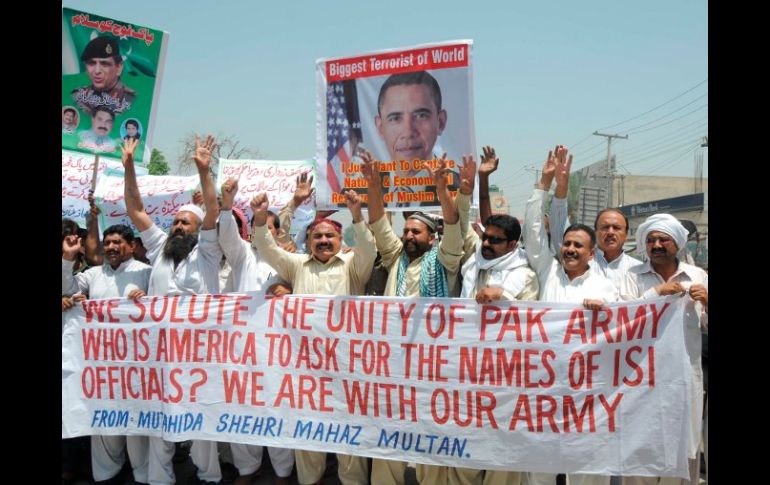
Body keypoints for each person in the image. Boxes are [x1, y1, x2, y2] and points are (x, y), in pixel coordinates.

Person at [363, 149, 475, 485]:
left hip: (433, 358)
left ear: (432, 237)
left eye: (417, 232)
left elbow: (454, 227)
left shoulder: (446, 260)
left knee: (430, 429)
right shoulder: (396, 257)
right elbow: (379, 222)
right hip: (394, 357)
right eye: (407, 231)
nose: (409, 236)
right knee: (391, 427)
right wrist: (373, 185)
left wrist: (443, 191)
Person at [251, 187, 376, 485]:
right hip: (305, 367)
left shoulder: (353, 265)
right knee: (308, 432)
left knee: (349, 435)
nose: (323, 241)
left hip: (346, 365)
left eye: (329, 236)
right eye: (317, 237)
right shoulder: (297, 265)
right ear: (308, 242)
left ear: (340, 240)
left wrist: (357, 214)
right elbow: (268, 249)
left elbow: (369, 248)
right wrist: (258, 218)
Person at [122, 135, 224, 485]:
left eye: (185, 222)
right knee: (159, 420)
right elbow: (135, 209)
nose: (178, 226)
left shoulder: (208, 252)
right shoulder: (161, 248)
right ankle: (159, 478)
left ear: (199, 230)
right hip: (160, 354)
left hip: (200, 355)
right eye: (176, 222)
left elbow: (213, 210)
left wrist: (204, 171)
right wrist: (129, 168)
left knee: (202, 423)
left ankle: (208, 476)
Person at [524, 146, 617, 485]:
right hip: (544, 390)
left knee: (588, 474)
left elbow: (626, 328)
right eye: (567, 244)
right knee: (541, 473)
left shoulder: (609, 287)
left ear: (592, 253)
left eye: (579, 246)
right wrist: (545, 184)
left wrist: (606, 314)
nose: (571, 249)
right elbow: (534, 229)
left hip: (589, 396)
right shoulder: (548, 271)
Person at [619, 214, 708, 485]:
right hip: (640, 380)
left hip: (684, 379)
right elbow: (622, 321)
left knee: (683, 449)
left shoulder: (698, 276)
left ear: (677, 244)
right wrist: (657, 294)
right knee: (639, 447)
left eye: (663, 239)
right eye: (651, 240)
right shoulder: (632, 277)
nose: (656, 245)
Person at [218, 177, 295, 485]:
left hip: (280, 351)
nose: (264, 231)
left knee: (279, 410)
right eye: (258, 225)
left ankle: (282, 472)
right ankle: (247, 470)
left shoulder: (291, 259)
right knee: (243, 409)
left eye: (270, 227)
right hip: (243, 348)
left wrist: (288, 289)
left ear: (278, 233)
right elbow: (226, 236)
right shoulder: (243, 256)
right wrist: (226, 204)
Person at [62, 224, 152, 485]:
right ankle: (107, 476)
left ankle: (142, 476)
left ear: (132, 246)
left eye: (117, 242)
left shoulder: (146, 273)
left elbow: (162, 306)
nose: (111, 247)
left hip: (138, 365)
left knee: (137, 427)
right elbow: (68, 290)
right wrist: (68, 258)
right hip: (102, 366)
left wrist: (148, 299)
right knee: (105, 424)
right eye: (107, 242)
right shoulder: (92, 275)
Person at [373, 71, 459, 207]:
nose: (408, 132)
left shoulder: (461, 189)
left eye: (421, 116)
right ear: (380, 127)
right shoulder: (360, 191)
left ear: (440, 122)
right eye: (395, 118)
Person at [71, 36, 136, 115]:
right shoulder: (77, 95)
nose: (97, 71)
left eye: (104, 64)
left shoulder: (130, 99)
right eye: (91, 63)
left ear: (118, 68)